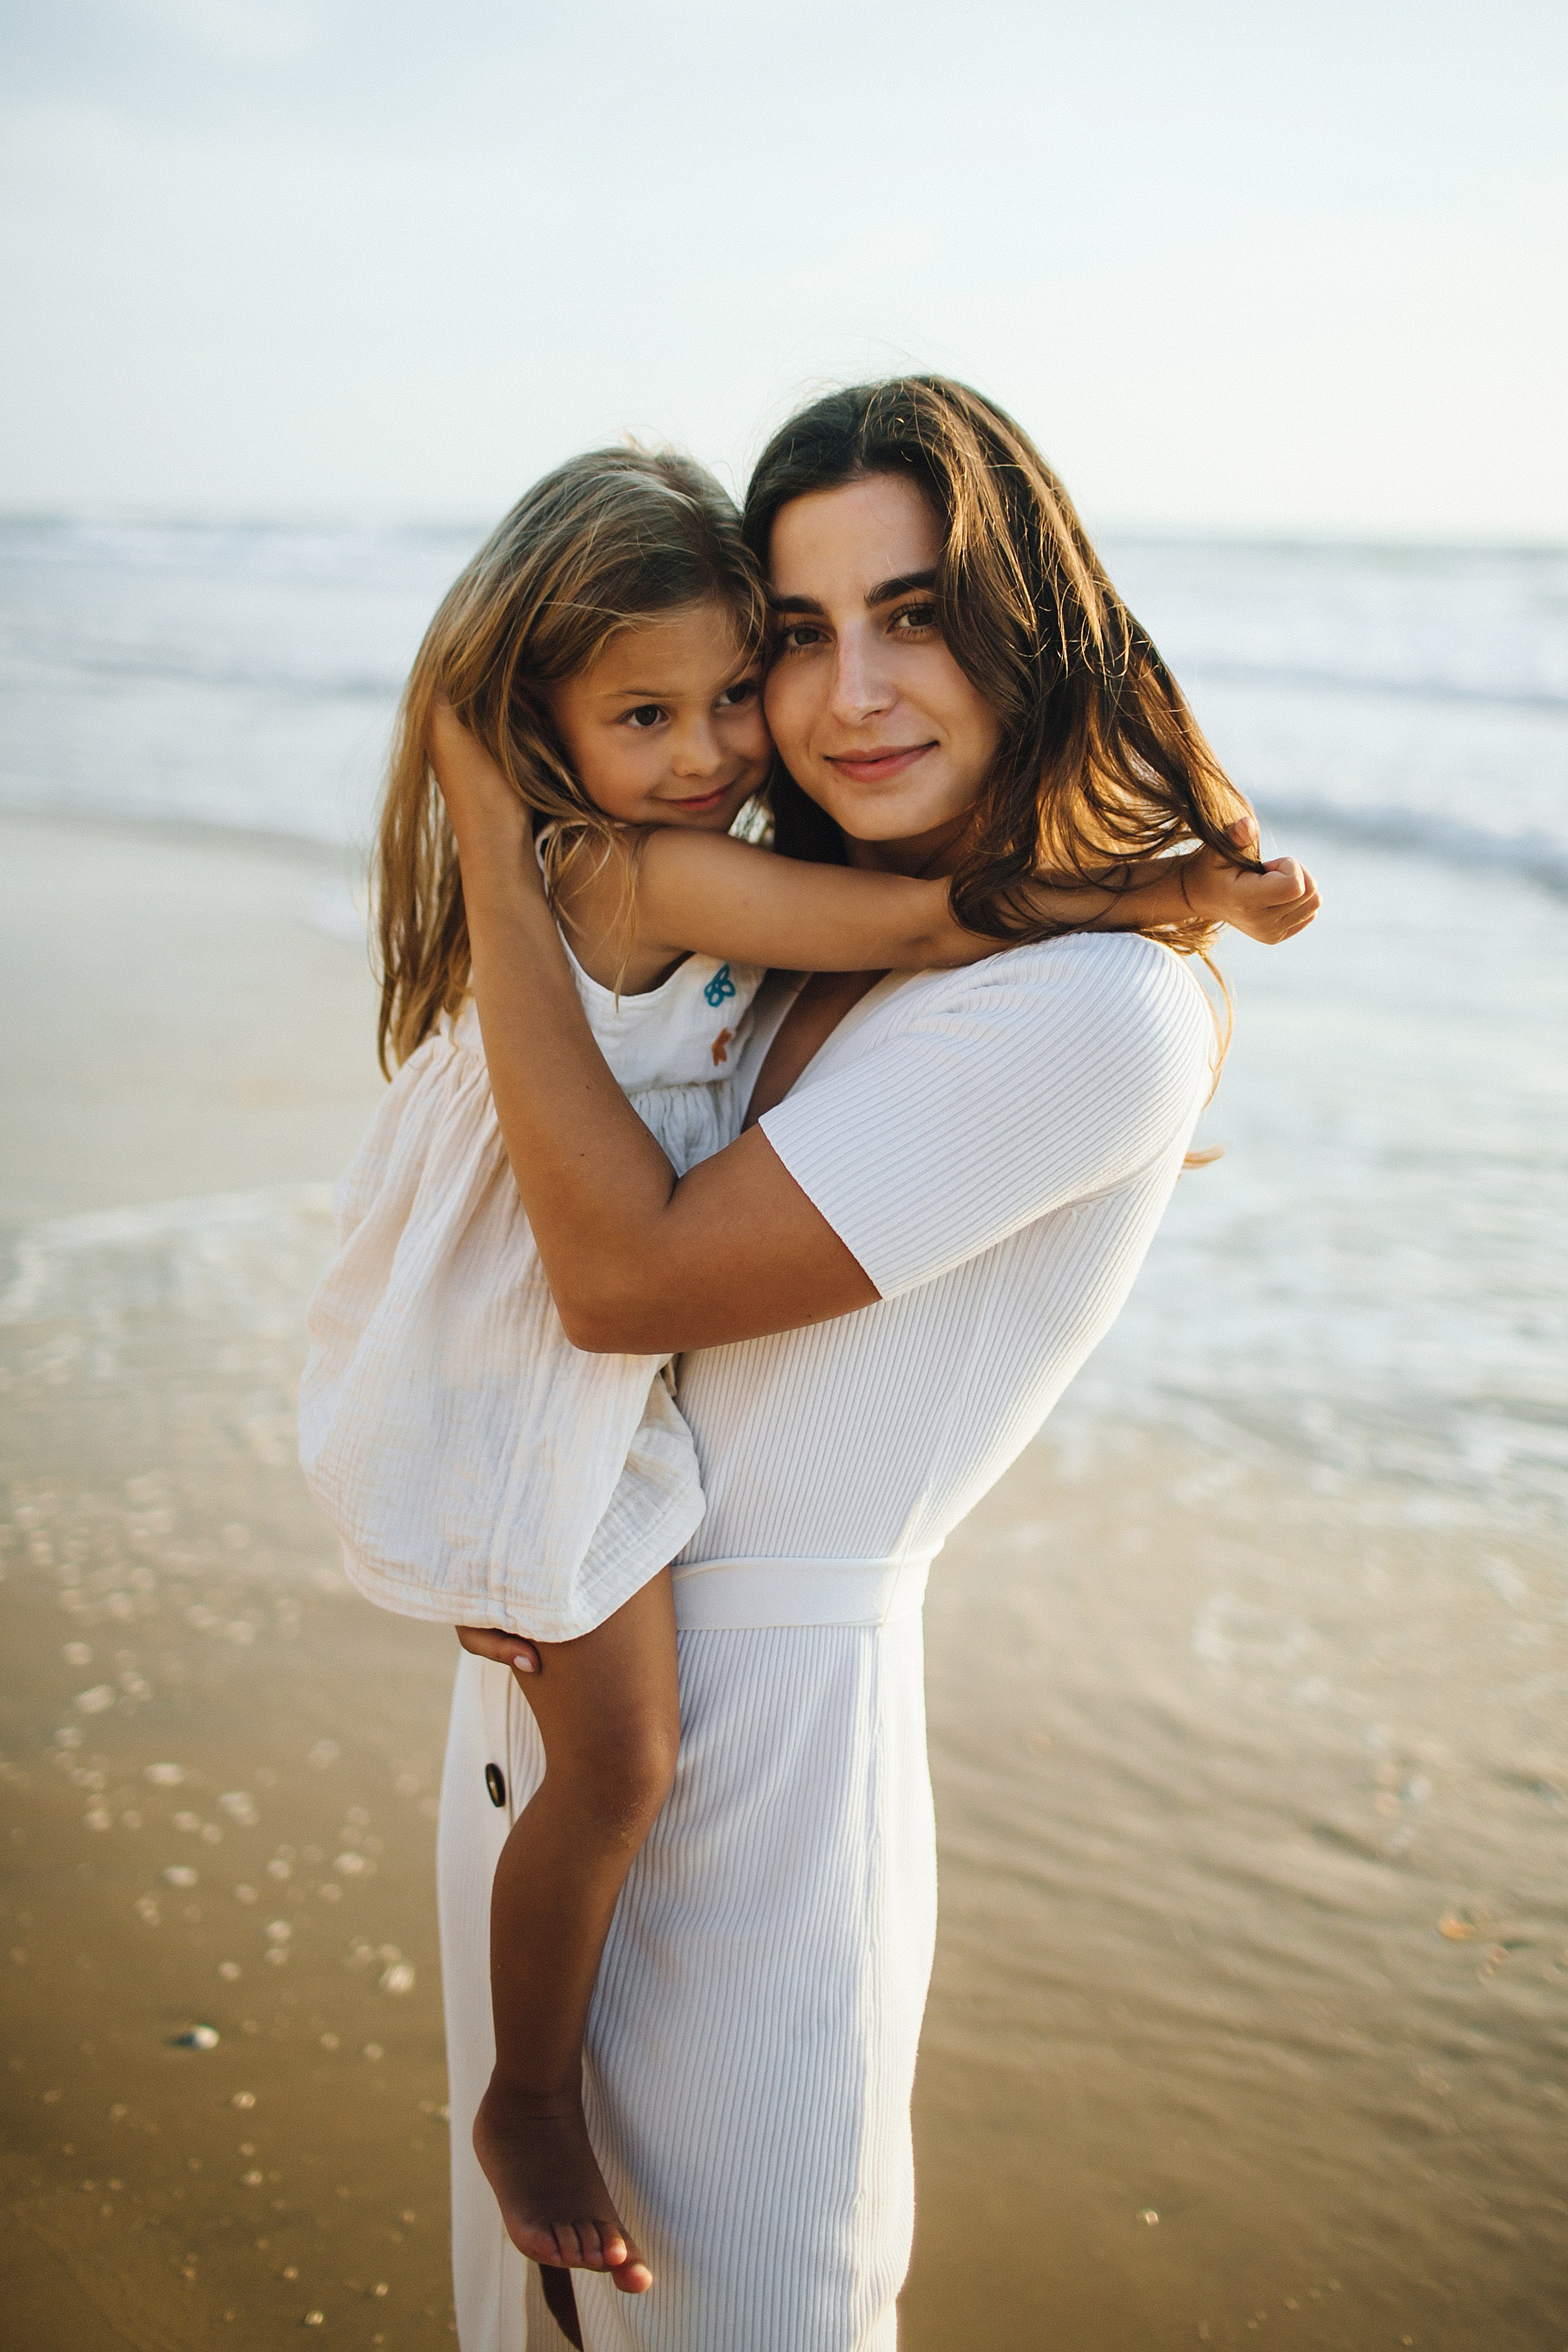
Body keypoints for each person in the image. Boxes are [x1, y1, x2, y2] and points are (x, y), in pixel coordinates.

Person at [299, 442, 1315, 2312]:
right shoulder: (737, 917)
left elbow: (619, 1277)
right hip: (572, 1628)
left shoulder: (1094, 999)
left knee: (754, 2296)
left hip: (763, 1759)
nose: (843, 691)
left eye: (916, 617)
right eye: (798, 631)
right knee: (521, 2313)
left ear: (1030, 632)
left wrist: (499, 847)